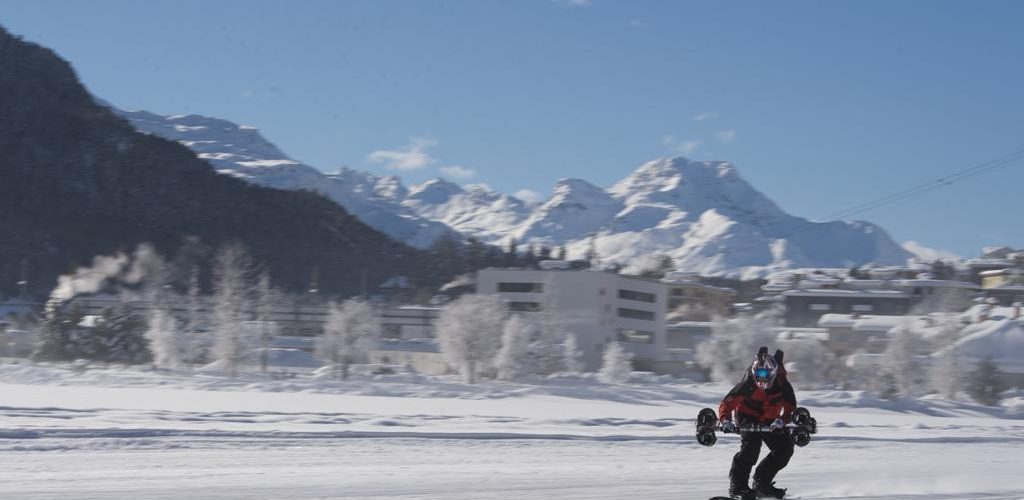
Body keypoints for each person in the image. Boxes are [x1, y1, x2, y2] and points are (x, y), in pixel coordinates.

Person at [718, 347, 797, 499]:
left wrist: (781, 420)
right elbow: (727, 403)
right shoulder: (749, 383)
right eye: (757, 375)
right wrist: (725, 420)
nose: (760, 380)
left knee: (784, 449)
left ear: (773, 373)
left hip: (771, 419)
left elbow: (790, 408)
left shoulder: (782, 385)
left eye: (764, 375)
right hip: (748, 417)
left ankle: (762, 483)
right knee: (751, 448)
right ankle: (738, 487)